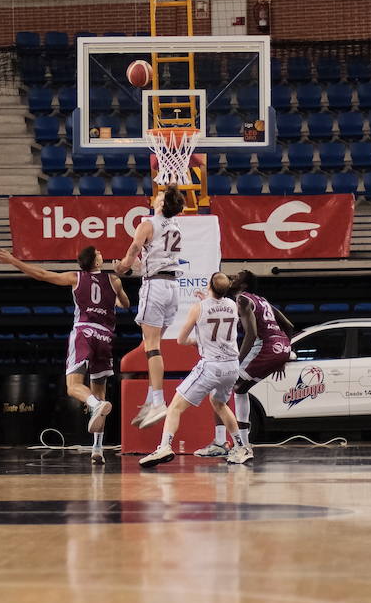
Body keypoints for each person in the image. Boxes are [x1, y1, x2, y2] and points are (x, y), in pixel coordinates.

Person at [0, 245, 129, 464]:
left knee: (73, 387)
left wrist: (14, 261)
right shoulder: (113, 281)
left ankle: (93, 405)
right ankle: (97, 449)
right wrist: (119, 290)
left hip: (84, 331)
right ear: (96, 262)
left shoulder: (75, 278)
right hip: (105, 337)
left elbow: (43, 275)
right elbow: (125, 304)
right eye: (99, 254)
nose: (103, 255)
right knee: (100, 391)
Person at [139, 271, 250, 469]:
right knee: (220, 403)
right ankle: (241, 447)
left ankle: (164, 446)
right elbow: (218, 305)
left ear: (209, 285)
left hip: (212, 366)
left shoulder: (198, 308)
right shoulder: (233, 305)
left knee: (174, 406)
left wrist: (195, 342)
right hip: (232, 366)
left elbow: (181, 340)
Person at [194, 270, 294, 463]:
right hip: (279, 346)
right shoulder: (261, 300)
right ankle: (238, 445)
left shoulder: (242, 299)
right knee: (240, 389)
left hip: (264, 347)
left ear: (244, 285)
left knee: (220, 389)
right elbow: (288, 325)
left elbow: (251, 333)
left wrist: (237, 360)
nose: (232, 278)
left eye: (236, 276)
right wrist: (284, 354)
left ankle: (231, 445)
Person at [115, 185, 187, 426]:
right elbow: (156, 256)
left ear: (162, 204)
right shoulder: (176, 226)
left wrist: (123, 266)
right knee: (151, 345)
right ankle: (150, 399)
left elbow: (135, 248)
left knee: (152, 346)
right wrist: (138, 265)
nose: (155, 196)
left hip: (155, 286)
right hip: (173, 288)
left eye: (160, 195)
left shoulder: (148, 223)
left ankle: (158, 401)